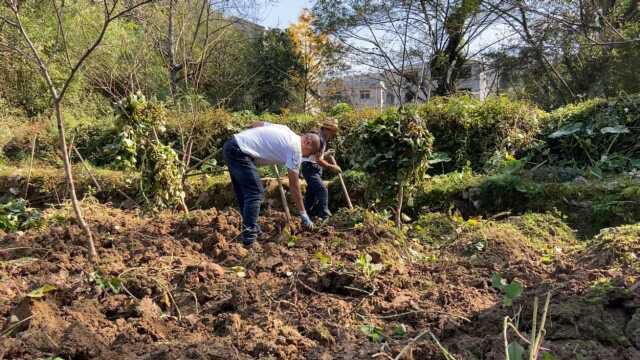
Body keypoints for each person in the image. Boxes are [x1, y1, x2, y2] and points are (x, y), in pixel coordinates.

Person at [223, 122, 321, 247]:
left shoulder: (286, 130)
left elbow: (258, 124)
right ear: (307, 143)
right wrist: (303, 214)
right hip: (240, 152)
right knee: (255, 192)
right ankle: (249, 239)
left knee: (245, 193)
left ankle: (252, 230)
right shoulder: (296, 149)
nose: (305, 156)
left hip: (233, 144)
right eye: (308, 154)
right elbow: (294, 185)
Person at [301, 118, 341, 220]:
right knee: (322, 190)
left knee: (311, 192)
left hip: (311, 167)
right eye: (333, 132)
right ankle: (325, 216)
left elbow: (315, 155)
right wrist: (332, 167)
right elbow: (318, 160)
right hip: (311, 168)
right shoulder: (320, 139)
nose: (334, 134)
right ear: (328, 129)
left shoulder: (320, 136)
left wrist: (326, 154)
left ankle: (306, 215)